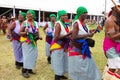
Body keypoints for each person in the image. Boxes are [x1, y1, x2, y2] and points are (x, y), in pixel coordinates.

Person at [68, 6, 102, 80]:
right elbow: (74, 37)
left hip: (84, 47)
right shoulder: (76, 23)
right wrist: (87, 35)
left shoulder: (84, 23)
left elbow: (83, 32)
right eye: (85, 13)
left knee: (89, 64)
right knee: (80, 66)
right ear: (80, 14)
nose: (86, 14)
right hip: (77, 48)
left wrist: (91, 32)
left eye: (87, 12)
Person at [20, 10, 42, 78]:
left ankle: (29, 69)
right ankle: (24, 70)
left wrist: (39, 36)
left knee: (33, 56)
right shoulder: (24, 23)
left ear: (33, 15)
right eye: (27, 14)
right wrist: (25, 32)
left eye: (30, 14)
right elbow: (20, 33)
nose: (28, 15)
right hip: (26, 42)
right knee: (27, 57)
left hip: (34, 42)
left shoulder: (35, 23)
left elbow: (37, 32)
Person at [50, 10, 71, 80]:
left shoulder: (66, 23)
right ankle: (57, 77)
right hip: (58, 45)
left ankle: (61, 74)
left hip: (65, 45)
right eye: (63, 15)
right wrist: (68, 34)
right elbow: (56, 37)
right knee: (58, 62)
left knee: (64, 61)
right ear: (59, 16)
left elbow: (67, 33)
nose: (65, 16)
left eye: (66, 15)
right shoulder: (58, 24)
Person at [103, 5, 120, 80]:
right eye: (119, 6)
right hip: (110, 47)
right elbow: (112, 37)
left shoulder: (117, 19)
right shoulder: (110, 20)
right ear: (113, 8)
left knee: (112, 68)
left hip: (117, 46)